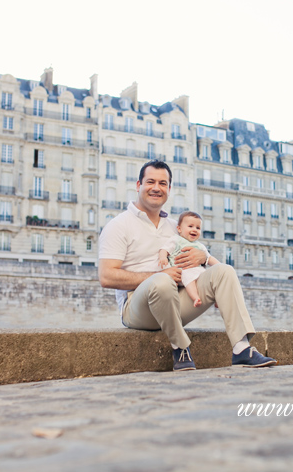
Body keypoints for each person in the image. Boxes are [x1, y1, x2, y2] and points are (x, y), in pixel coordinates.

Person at [98, 159, 277, 371]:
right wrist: (159, 274)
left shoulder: (176, 227)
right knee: (162, 281)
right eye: (150, 182)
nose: (156, 188)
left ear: (169, 189)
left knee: (224, 271)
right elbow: (106, 277)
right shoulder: (119, 225)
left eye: (163, 183)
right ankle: (181, 348)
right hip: (137, 309)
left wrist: (201, 256)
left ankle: (241, 348)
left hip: (176, 301)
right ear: (138, 185)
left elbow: (199, 255)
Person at [158, 211, 219, 308]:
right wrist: (163, 257)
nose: (194, 230)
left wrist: (220, 266)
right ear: (179, 229)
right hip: (182, 271)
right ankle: (195, 297)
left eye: (198, 228)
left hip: (198, 271)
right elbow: (164, 249)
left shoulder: (199, 245)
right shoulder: (176, 240)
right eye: (190, 226)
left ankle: (217, 298)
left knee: (212, 279)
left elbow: (209, 258)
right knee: (189, 278)